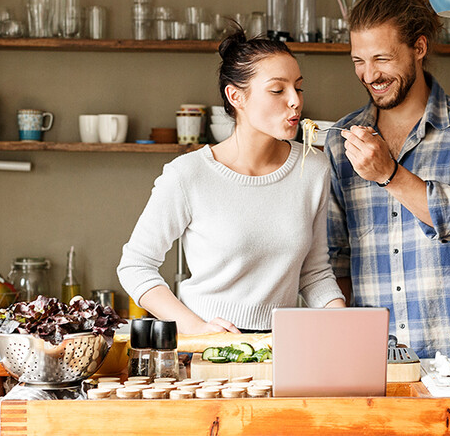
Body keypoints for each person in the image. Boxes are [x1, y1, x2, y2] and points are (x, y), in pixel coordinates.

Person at [118, 27, 345, 335]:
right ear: (236, 96)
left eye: (299, 88)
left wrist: (347, 328)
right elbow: (135, 265)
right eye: (278, 90)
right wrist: (196, 328)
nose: (295, 101)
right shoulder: (188, 174)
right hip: (207, 348)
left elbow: (314, 273)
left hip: (283, 346)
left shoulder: (313, 167)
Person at [325, 0, 450, 358]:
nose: (369, 74)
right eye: (358, 61)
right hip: (374, 355)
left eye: (382, 59)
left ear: (418, 49)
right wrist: (340, 344)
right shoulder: (342, 142)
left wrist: (389, 174)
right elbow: (337, 256)